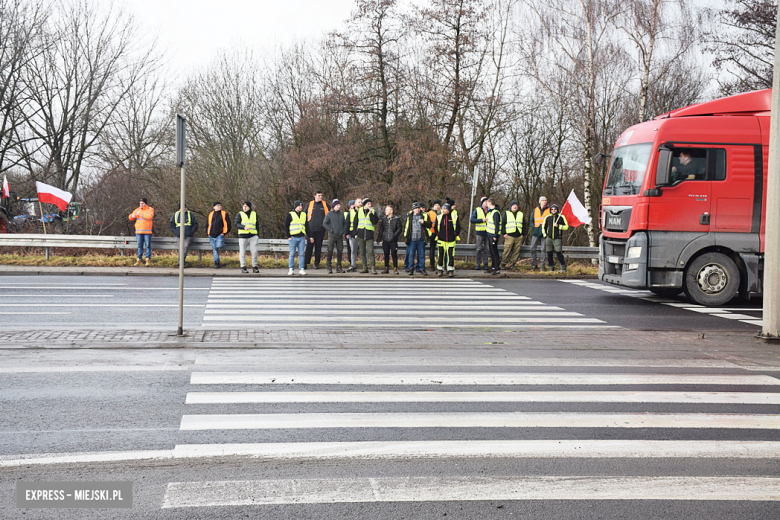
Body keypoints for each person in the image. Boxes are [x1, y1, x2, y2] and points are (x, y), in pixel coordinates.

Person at [304, 190, 330, 269]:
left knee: (318, 247)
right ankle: (305, 263)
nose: (320, 197)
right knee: (309, 247)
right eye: (319, 195)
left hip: (321, 230)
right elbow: (304, 216)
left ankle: (316, 263)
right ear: (314, 196)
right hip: (310, 230)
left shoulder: (325, 205)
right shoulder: (309, 204)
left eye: (321, 195)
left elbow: (330, 215)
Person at [434, 202, 460, 277]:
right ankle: (440, 269)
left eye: (445, 209)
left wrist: (455, 234)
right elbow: (435, 227)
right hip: (441, 239)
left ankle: (450, 270)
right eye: (443, 209)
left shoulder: (454, 217)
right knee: (441, 255)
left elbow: (458, 227)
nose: (443, 210)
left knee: (450, 255)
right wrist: (437, 234)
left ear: (448, 210)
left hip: (451, 239)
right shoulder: (439, 217)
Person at [542, 203, 569, 273]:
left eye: (555, 209)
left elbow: (566, 227)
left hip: (557, 238)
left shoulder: (561, 217)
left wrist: (559, 226)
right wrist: (545, 235)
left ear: (557, 210)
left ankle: (563, 268)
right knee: (549, 253)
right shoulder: (547, 217)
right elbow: (543, 227)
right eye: (552, 209)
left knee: (559, 253)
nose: (553, 210)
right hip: (549, 238)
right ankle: (551, 269)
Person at [323, 199, 348, 274]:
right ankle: (329, 266)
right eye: (337, 205)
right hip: (332, 235)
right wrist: (330, 230)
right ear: (334, 206)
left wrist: (343, 231)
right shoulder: (329, 214)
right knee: (330, 251)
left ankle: (338, 266)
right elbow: (324, 223)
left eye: (339, 205)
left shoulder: (341, 214)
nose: (339, 206)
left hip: (339, 236)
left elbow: (345, 224)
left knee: (340, 251)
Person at [403, 202, 428, 276]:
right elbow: (405, 226)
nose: (417, 210)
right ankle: (411, 269)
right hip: (412, 239)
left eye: (418, 208)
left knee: (421, 255)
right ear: (413, 209)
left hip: (421, 239)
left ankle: (422, 268)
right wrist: (406, 237)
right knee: (411, 255)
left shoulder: (423, 215)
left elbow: (429, 224)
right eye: (416, 208)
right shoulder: (409, 216)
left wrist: (424, 222)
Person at [355, 198, 379, 274]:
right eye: (368, 204)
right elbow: (355, 223)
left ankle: (373, 268)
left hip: (369, 235)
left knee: (371, 252)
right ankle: (364, 267)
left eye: (370, 203)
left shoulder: (373, 211)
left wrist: (371, 214)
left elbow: (375, 221)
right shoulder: (359, 211)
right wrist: (355, 234)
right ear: (365, 204)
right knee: (362, 252)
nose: (370, 205)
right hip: (360, 235)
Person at [286, 200, 309, 275]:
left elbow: (307, 226)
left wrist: (309, 235)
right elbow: (286, 226)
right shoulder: (290, 214)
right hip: (293, 237)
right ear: (296, 206)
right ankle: (291, 269)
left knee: (301, 254)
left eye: (301, 206)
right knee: (292, 253)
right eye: (299, 206)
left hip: (301, 236)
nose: (300, 207)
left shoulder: (304, 214)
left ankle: (301, 269)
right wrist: (288, 236)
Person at [376, 204, 402, 274]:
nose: (385, 211)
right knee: (386, 254)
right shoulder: (384, 219)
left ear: (391, 211)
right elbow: (381, 229)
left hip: (393, 240)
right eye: (385, 210)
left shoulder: (397, 219)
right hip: (385, 239)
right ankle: (386, 268)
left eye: (387, 210)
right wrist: (379, 239)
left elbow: (399, 228)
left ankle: (395, 268)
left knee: (394, 254)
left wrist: (394, 235)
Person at [235, 201, 259, 274]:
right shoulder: (240, 214)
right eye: (243, 206)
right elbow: (236, 224)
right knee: (242, 253)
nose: (244, 208)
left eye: (246, 206)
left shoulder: (254, 214)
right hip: (243, 236)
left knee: (254, 252)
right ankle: (243, 267)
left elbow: (257, 225)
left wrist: (257, 235)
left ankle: (254, 266)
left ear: (249, 207)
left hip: (253, 235)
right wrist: (243, 227)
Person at [129, 198, 154, 266]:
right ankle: (139, 259)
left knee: (147, 246)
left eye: (142, 203)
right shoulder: (137, 210)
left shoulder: (150, 209)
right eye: (140, 203)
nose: (141, 205)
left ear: (145, 203)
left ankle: (147, 259)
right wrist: (132, 216)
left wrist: (141, 214)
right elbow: (130, 217)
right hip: (138, 232)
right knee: (139, 246)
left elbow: (149, 216)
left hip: (147, 232)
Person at [501, 200, 524, 270]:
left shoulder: (520, 214)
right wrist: (504, 233)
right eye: (514, 205)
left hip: (518, 236)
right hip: (509, 235)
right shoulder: (507, 213)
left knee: (516, 251)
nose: (515, 206)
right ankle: (503, 264)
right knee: (507, 250)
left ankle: (513, 264)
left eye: (516, 205)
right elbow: (503, 223)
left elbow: (524, 224)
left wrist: (523, 234)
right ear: (511, 206)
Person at [207, 202, 231, 268]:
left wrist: (224, 232)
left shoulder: (224, 214)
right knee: (214, 249)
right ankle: (216, 262)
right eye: (218, 205)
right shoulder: (211, 214)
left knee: (219, 246)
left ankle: (217, 260)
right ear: (214, 207)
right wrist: (207, 232)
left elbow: (229, 224)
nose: (219, 206)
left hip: (220, 234)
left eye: (220, 205)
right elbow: (207, 223)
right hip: (211, 235)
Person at [530, 196, 550, 270]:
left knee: (543, 249)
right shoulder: (535, 210)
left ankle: (542, 265)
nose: (544, 201)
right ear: (540, 201)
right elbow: (531, 220)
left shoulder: (549, 210)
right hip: (536, 232)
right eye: (542, 200)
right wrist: (534, 227)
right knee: (532, 248)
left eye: (545, 200)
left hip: (545, 233)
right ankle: (534, 264)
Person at [470, 196, 489, 270]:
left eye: (487, 201)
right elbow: (472, 220)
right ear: (482, 203)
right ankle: (477, 264)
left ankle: (486, 264)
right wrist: (481, 220)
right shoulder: (477, 210)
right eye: (485, 201)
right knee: (479, 249)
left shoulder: (490, 210)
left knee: (487, 249)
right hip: (480, 232)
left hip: (488, 232)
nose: (487, 203)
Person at [485, 198, 502, 275]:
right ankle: (492, 267)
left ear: (490, 203)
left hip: (493, 235)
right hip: (489, 234)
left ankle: (496, 268)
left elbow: (497, 225)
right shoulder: (491, 212)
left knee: (494, 252)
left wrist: (495, 235)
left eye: (487, 203)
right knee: (491, 252)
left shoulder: (495, 213)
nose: (487, 205)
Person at [346, 198, 362, 272]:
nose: (360, 203)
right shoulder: (351, 212)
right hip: (352, 234)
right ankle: (353, 265)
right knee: (353, 250)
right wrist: (347, 233)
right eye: (359, 202)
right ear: (355, 204)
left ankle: (365, 265)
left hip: (361, 234)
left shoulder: (363, 211)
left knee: (363, 251)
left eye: (361, 202)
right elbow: (347, 223)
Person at [427, 199, 440, 270]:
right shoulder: (430, 213)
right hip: (432, 234)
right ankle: (432, 265)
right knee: (432, 250)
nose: (437, 206)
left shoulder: (442, 213)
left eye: (438, 205)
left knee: (440, 251)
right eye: (435, 205)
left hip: (440, 234)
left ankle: (440, 265)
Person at [345, 199, 354, 267]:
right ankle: (350, 261)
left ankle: (353, 261)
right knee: (349, 248)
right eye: (352, 205)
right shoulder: (346, 213)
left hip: (354, 232)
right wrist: (346, 233)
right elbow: (346, 224)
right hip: (349, 232)